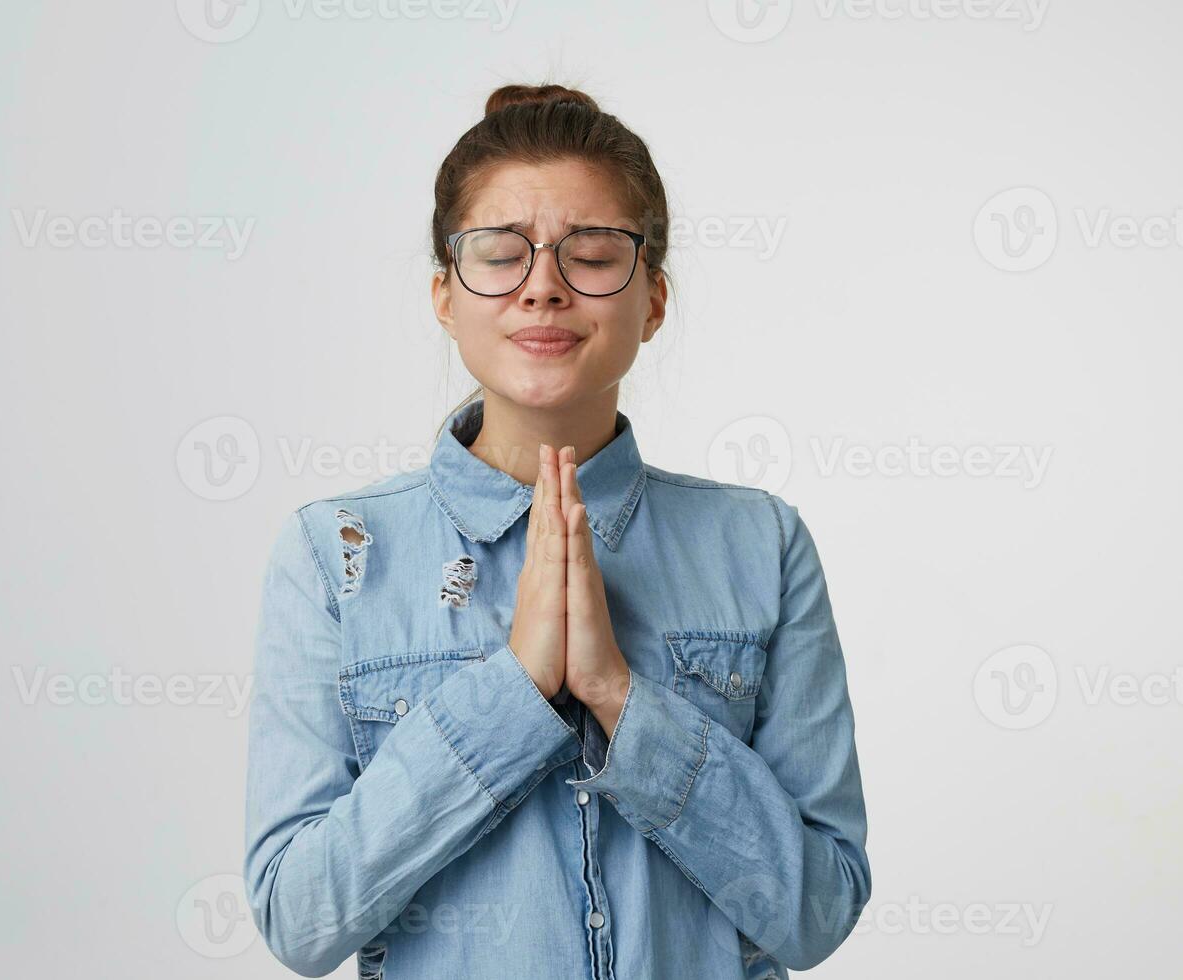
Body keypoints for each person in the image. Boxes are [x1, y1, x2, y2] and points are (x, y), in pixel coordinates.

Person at [243, 82, 871, 979]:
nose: (543, 287)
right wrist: (513, 693)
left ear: (653, 299)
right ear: (443, 297)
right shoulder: (335, 557)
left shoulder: (761, 546)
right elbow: (299, 918)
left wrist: (619, 696)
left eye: (594, 254)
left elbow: (820, 909)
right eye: (500, 255)